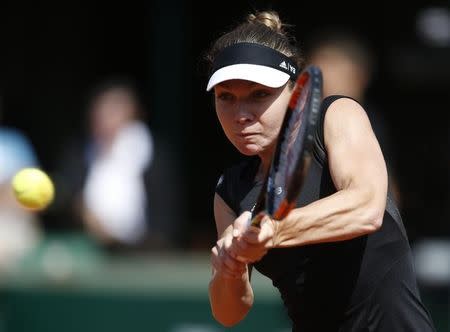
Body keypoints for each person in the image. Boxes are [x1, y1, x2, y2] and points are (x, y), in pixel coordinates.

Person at [205, 10, 436, 331]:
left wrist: (274, 230)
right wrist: (228, 271)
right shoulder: (231, 190)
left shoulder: (337, 116)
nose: (240, 114)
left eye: (260, 95)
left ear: (295, 92)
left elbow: (367, 208)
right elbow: (229, 313)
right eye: (226, 97)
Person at [305, 28, 402, 207]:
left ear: (359, 75)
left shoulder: (367, 121)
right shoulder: (303, 123)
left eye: (333, 67)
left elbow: (385, 195)